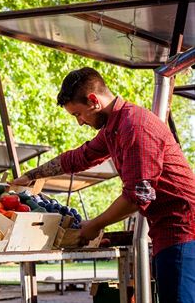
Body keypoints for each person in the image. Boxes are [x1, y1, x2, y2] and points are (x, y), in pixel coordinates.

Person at [10, 67, 195, 303]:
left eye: (78, 114)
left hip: (182, 229)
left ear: (94, 101)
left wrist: (94, 225)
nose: (79, 123)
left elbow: (139, 195)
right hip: (165, 229)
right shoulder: (114, 127)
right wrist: (32, 175)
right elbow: (80, 157)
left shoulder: (134, 127)